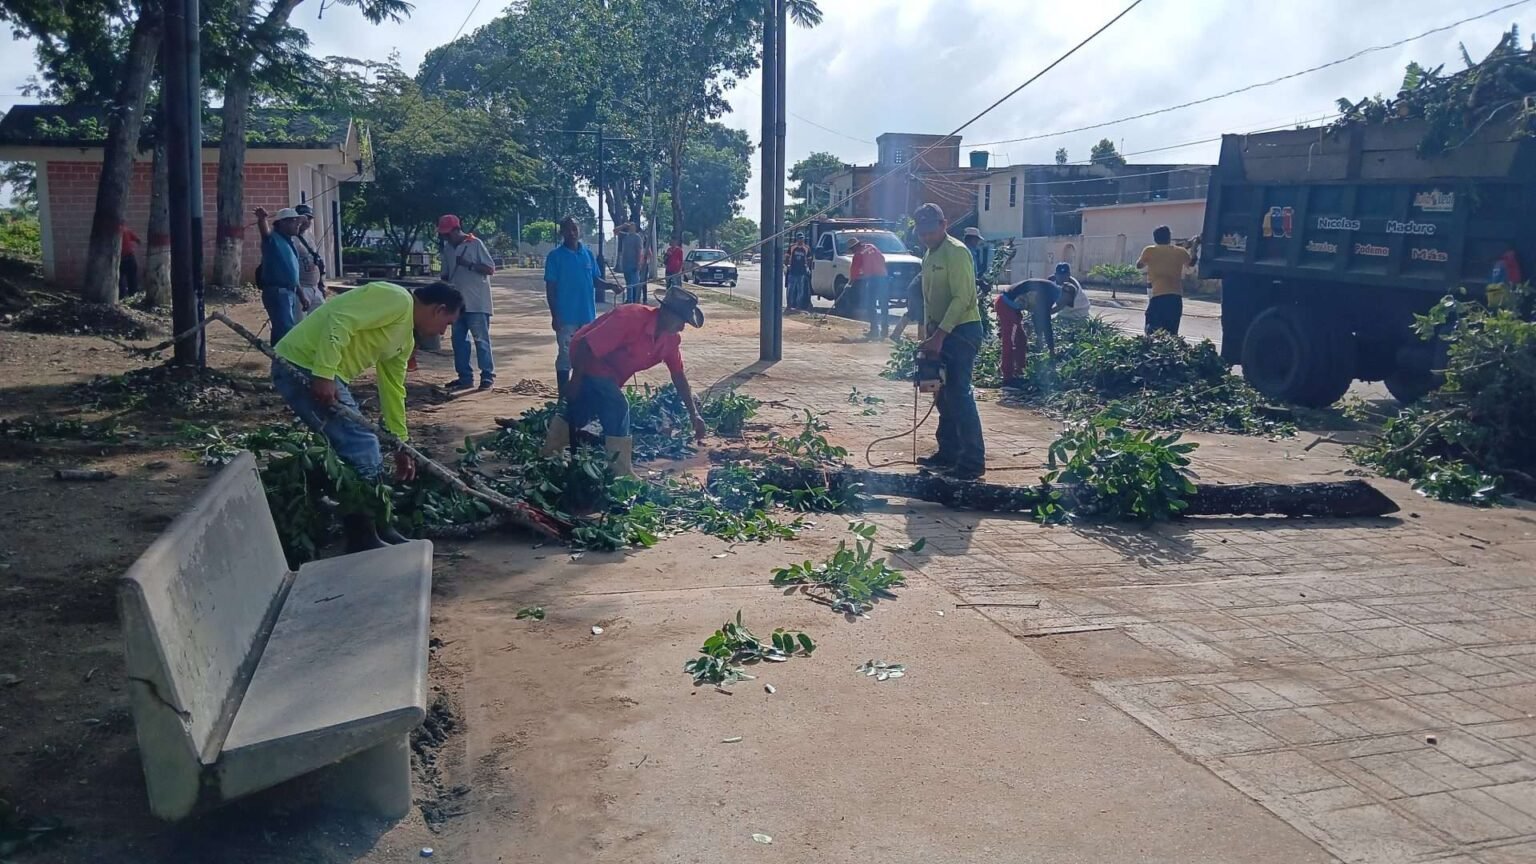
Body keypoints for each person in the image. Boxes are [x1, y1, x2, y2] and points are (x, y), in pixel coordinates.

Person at [271, 280, 463, 552]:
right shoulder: (396, 299)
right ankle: (362, 537)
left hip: (324, 371)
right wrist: (324, 373)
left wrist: (401, 444)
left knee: (350, 447)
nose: (443, 331)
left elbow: (393, 390)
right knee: (363, 444)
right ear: (438, 309)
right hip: (302, 363)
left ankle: (374, 523)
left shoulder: (405, 340)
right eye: (447, 323)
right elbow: (340, 319)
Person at [540, 286, 709, 476]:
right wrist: (576, 381)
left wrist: (694, 414)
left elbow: (678, 376)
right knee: (618, 406)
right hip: (588, 358)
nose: (682, 327)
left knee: (582, 409)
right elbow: (586, 346)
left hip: (612, 373)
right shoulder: (630, 317)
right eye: (681, 321)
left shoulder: (670, 340)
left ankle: (549, 453)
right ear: (667, 313)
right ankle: (619, 471)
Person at [913, 203, 985, 480]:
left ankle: (972, 461)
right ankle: (948, 452)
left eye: (931, 231)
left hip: (962, 331)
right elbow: (929, 299)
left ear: (944, 224)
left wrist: (940, 336)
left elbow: (963, 298)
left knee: (959, 394)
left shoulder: (956, 252)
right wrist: (929, 335)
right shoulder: (929, 255)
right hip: (940, 332)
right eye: (922, 233)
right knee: (942, 394)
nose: (927, 237)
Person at [545, 216, 603, 402]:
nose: (572, 233)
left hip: (587, 317)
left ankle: (582, 396)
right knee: (565, 357)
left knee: (587, 357)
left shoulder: (588, 254)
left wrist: (611, 286)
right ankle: (563, 398)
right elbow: (551, 289)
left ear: (580, 231)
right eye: (568, 229)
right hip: (566, 318)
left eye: (575, 229)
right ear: (561, 232)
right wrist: (555, 316)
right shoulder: (555, 257)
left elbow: (595, 280)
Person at [437, 214, 498, 391]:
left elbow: (490, 268)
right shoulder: (448, 249)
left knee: (481, 340)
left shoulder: (475, 244)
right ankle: (465, 377)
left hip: (478, 302)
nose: (446, 237)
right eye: (444, 235)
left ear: (457, 229)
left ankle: (487, 376)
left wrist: (468, 264)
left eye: (448, 233)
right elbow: (445, 274)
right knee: (459, 341)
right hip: (456, 304)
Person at [254, 206, 304, 344]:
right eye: (294, 221)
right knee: (285, 331)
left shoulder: (290, 243)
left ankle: (278, 360)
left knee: (283, 330)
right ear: (283, 223)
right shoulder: (273, 240)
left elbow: (292, 273)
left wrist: (301, 295)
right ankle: (283, 362)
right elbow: (265, 233)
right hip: (277, 292)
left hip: (290, 292)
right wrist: (262, 219)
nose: (298, 225)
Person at [1136, 225, 1193, 335]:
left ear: (1155, 238)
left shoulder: (1149, 250)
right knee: (1172, 332)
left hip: (1158, 296)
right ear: (1169, 237)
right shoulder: (1180, 251)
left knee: (1152, 330)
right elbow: (1191, 263)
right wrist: (1193, 247)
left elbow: (1139, 265)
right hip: (1176, 296)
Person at [291, 204, 327, 320]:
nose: (307, 221)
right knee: (299, 322)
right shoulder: (291, 238)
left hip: (314, 286)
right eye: (304, 217)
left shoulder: (310, 236)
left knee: (320, 319)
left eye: (309, 218)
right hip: (300, 287)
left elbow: (318, 261)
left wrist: (321, 285)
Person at [848, 236, 889, 339]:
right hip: (884, 277)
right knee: (884, 305)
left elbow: (854, 270)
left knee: (871, 305)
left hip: (873, 278)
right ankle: (885, 330)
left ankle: (874, 331)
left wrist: (851, 282)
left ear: (854, 248)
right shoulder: (872, 247)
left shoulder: (858, 254)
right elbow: (882, 258)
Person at [618, 222, 645, 304]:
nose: (630, 227)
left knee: (635, 284)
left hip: (634, 264)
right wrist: (623, 225)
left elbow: (639, 251)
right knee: (628, 283)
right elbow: (615, 231)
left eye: (632, 226)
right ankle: (629, 300)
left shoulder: (637, 237)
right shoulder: (625, 236)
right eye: (630, 226)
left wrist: (638, 263)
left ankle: (635, 301)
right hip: (626, 264)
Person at [785, 232, 813, 311]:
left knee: (800, 290)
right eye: (799, 238)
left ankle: (798, 306)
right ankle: (789, 306)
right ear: (797, 239)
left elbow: (809, 259)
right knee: (791, 289)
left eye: (802, 238)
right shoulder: (792, 247)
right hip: (793, 271)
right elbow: (787, 256)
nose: (800, 240)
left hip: (802, 272)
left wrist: (807, 267)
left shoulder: (806, 248)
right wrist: (787, 265)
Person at [118, 223, 141, 301]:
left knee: (120, 279)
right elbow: (137, 240)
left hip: (119, 259)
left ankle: (121, 297)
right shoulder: (126, 230)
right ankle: (133, 296)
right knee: (132, 279)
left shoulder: (111, 232)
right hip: (129, 257)